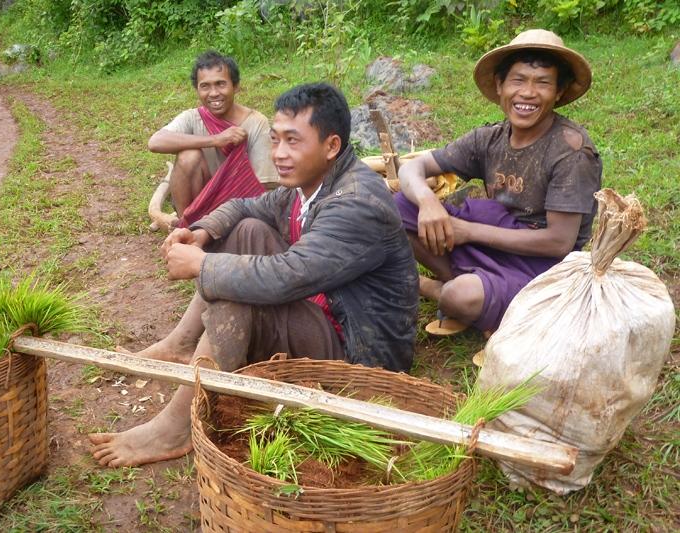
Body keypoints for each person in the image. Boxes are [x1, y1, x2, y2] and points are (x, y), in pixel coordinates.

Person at [90, 83, 418, 467]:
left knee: (236, 292)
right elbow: (250, 206)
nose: (279, 154)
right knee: (246, 231)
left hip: (361, 355)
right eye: (275, 139)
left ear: (331, 146)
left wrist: (202, 264)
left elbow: (287, 275)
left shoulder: (356, 202)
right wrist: (203, 232)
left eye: (293, 142)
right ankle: (181, 344)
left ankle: (175, 428)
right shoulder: (311, 183)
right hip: (328, 310)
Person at [395, 29, 602, 335]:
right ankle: (463, 279)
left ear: (558, 92)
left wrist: (468, 232)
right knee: (397, 207)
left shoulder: (572, 152)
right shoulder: (489, 139)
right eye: (518, 80)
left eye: (542, 83)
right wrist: (427, 203)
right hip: (488, 243)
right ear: (500, 85)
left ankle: (438, 288)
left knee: (459, 296)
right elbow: (414, 167)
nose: (528, 93)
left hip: (540, 265)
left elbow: (559, 241)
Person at [148, 50, 278, 227]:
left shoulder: (256, 123)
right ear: (197, 90)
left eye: (221, 84)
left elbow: (264, 187)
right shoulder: (193, 118)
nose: (214, 93)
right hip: (199, 208)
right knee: (188, 156)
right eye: (205, 86)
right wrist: (216, 140)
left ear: (236, 86)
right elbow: (155, 142)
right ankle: (187, 226)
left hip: (241, 211)